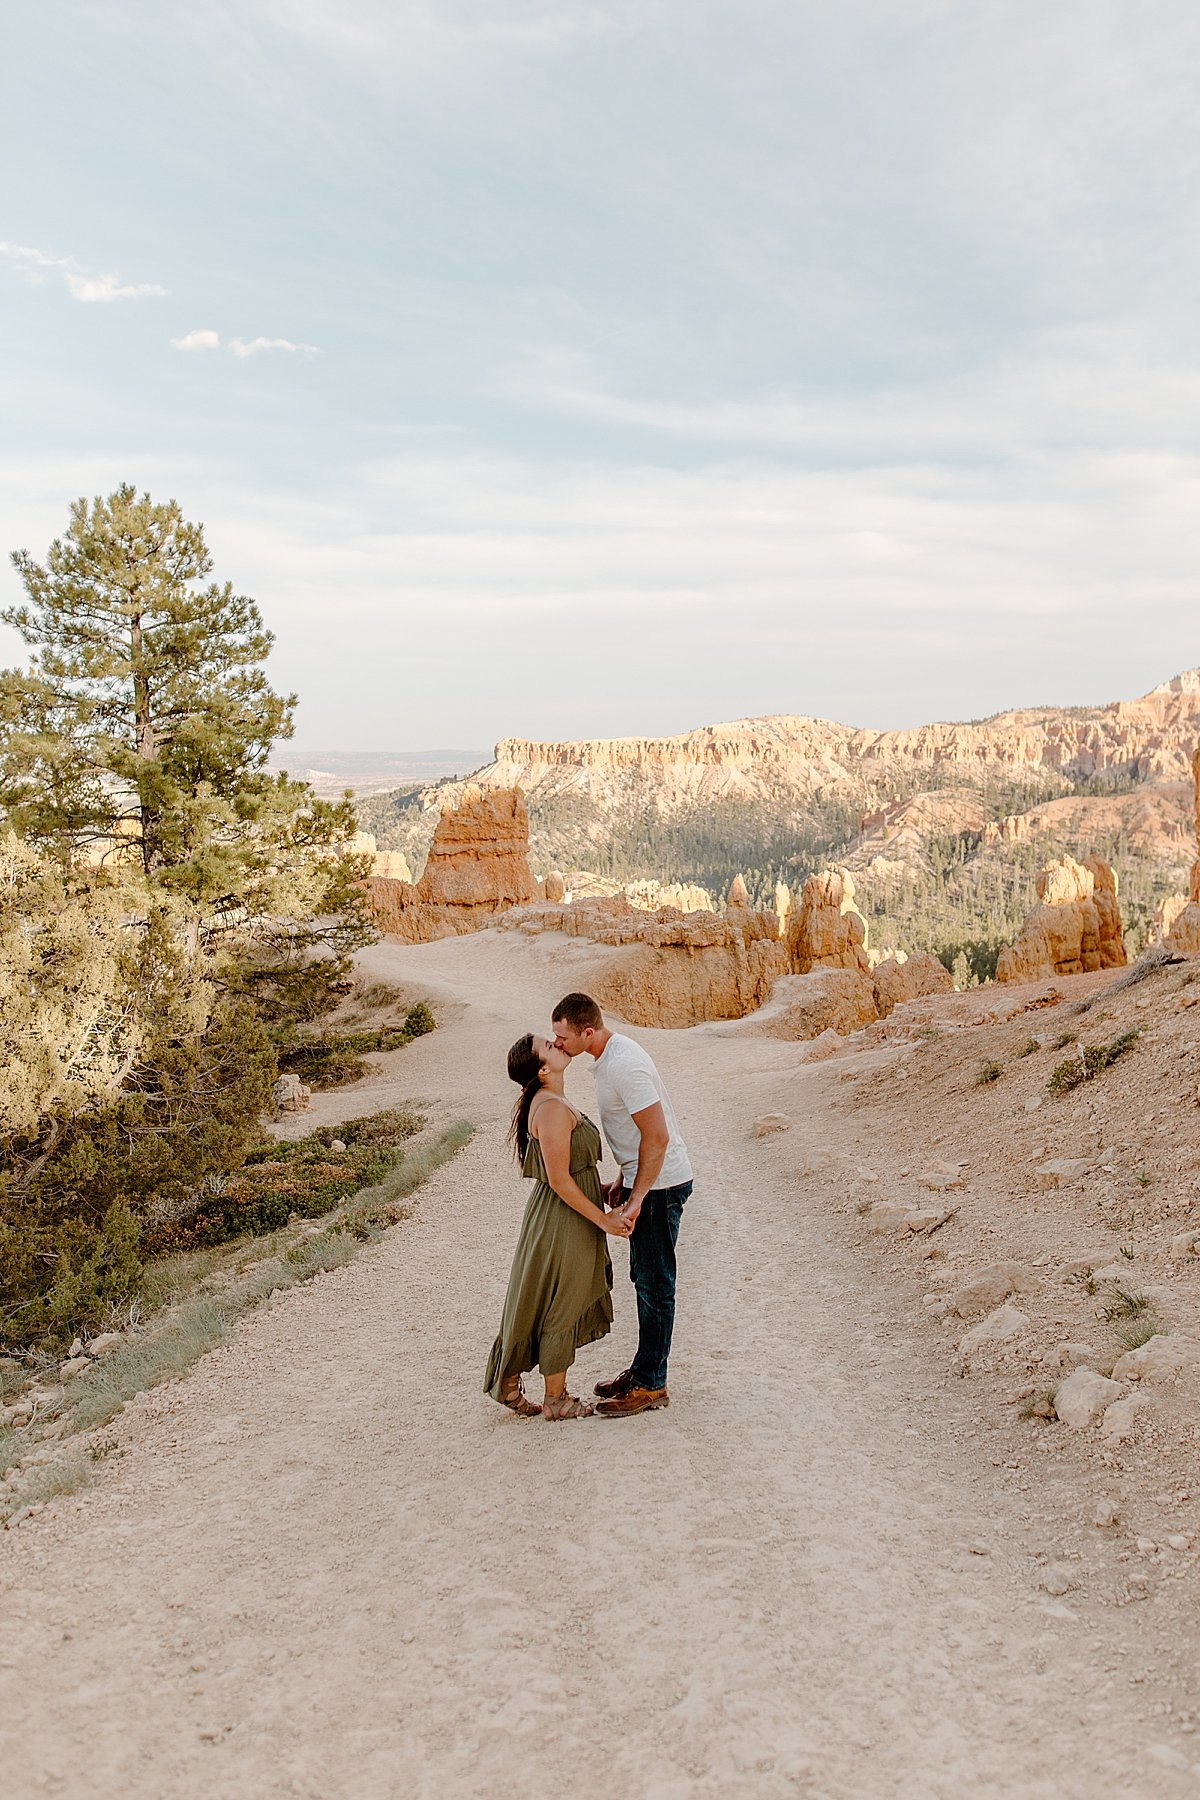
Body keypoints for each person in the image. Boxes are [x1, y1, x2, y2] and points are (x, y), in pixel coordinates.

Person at [551, 993, 693, 1417]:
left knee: (654, 1285)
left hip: (661, 1188)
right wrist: (623, 1179)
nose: (557, 1044)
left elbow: (658, 1136)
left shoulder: (623, 1065)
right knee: (645, 1280)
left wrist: (637, 1197)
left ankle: (652, 1385)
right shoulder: (609, 1057)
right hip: (646, 1182)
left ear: (587, 1032)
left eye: (562, 1037)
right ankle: (644, 1369)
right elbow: (637, 1138)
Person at [485, 1033, 632, 1421]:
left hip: (565, 1211)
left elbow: (569, 1172)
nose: (556, 1042)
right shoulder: (549, 1107)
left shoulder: (551, 1101)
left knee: (542, 1294)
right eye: (547, 1046)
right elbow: (559, 1179)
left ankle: (510, 1382)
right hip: (563, 1217)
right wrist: (605, 1220)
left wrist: (600, 1189)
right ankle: (557, 1400)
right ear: (543, 1068)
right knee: (563, 1298)